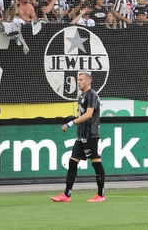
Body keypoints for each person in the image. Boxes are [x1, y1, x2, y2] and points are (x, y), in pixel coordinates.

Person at [51, 72, 106, 203]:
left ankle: (101, 195)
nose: (78, 82)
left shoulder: (92, 95)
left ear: (88, 82)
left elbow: (89, 114)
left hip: (91, 136)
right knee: (72, 163)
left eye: (81, 80)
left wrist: (71, 123)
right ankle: (67, 195)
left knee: (96, 163)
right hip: (81, 136)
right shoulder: (82, 96)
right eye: (78, 79)